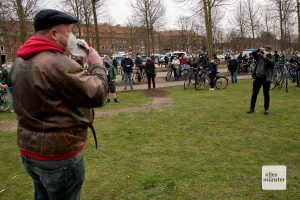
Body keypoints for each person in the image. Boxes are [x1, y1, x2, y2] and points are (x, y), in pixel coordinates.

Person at [12, 9, 108, 199]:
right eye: (69, 31)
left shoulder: (20, 60)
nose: (72, 37)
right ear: (54, 34)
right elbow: (98, 94)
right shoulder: (59, 64)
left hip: (29, 150)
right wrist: (97, 64)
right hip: (57, 155)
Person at [247, 45, 275, 115]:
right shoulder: (259, 56)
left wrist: (265, 56)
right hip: (258, 77)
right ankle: (251, 108)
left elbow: (271, 63)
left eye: (266, 50)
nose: (264, 51)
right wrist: (258, 49)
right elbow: (253, 54)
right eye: (264, 49)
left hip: (266, 78)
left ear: (269, 51)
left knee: (266, 94)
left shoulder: (272, 57)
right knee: (254, 94)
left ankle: (266, 109)